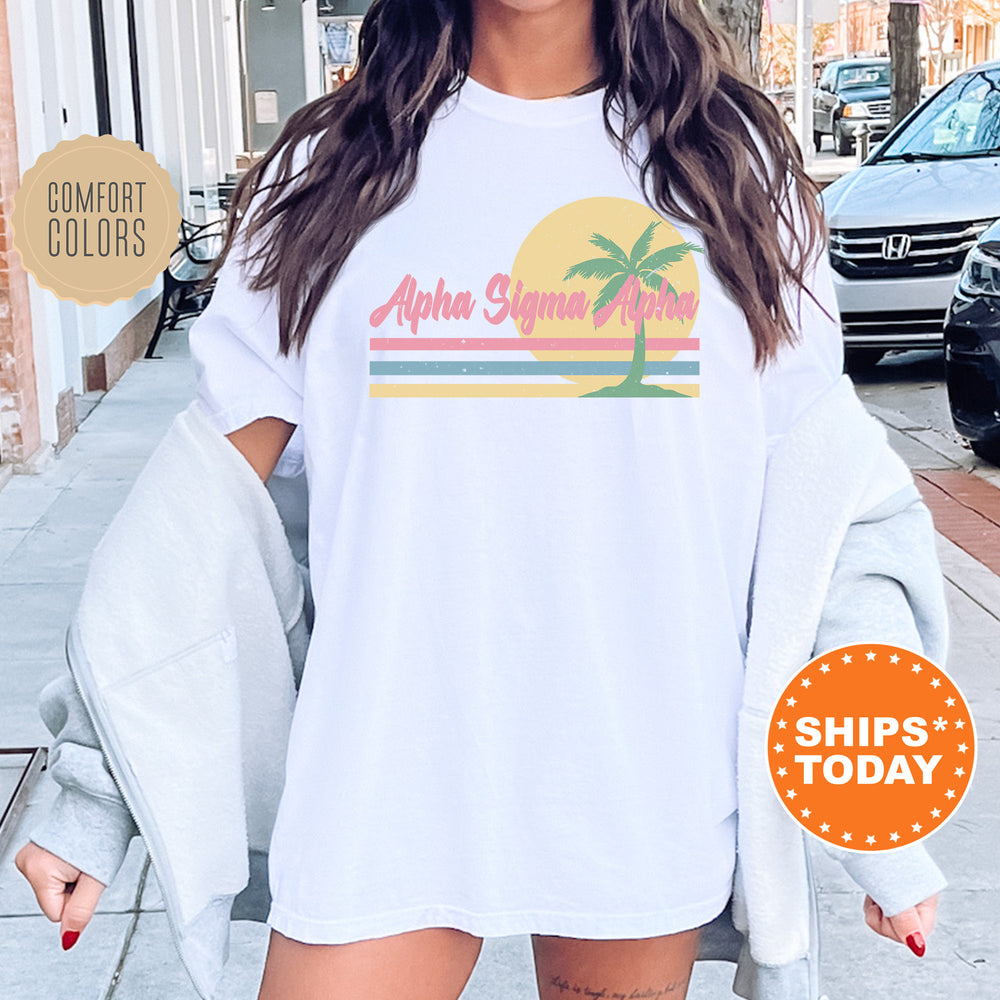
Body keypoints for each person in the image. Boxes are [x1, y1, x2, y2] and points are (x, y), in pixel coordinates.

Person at [15, 2, 946, 998]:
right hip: (388, 768)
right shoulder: (328, 173)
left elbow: (826, 505)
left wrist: (875, 802)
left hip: (642, 769)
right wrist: (95, 780)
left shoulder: (732, 166)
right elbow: (201, 519)